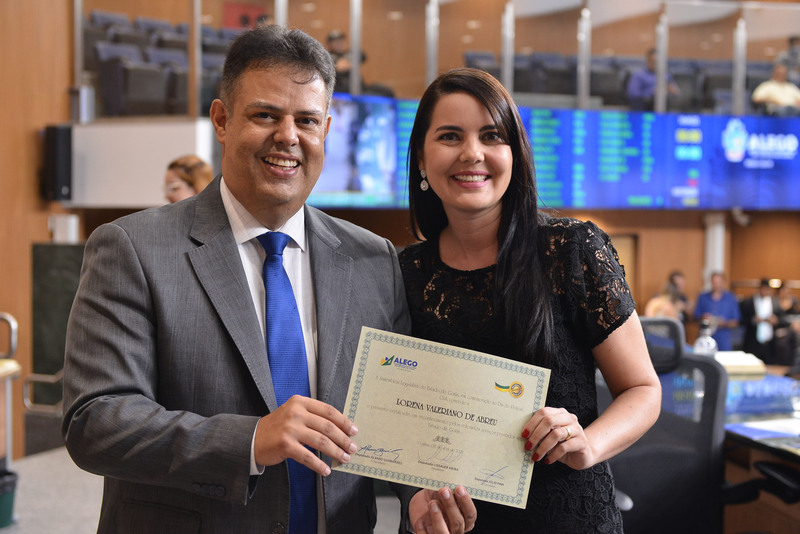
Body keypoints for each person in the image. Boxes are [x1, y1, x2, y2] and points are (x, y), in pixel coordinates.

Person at [62, 25, 474, 534]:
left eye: (307, 120)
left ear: (326, 129)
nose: (288, 136)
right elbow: (95, 421)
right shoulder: (132, 248)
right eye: (265, 115)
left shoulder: (373, 258)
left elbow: (394, 417)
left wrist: (418, 495)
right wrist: (252, 441)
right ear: (222, 120)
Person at [399, 67, 661, 532]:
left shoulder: (572, 249)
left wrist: (588, 445)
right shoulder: (404, 272)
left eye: (491, 136)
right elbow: (394, 415)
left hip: (568, 517)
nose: (472, 153)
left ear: (515, 154)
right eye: (450, 136)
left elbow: (642, 390)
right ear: (421, 157)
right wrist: (413, 496)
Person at [740, 278, 786, 364]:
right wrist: (753, 320)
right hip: (753, 342)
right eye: (764, 289)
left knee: (770, 367)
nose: (766, 292)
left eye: (768, 289)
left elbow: (783, 320)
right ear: (759, 288)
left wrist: (776, 320)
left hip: (770, 344)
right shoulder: (748, 302)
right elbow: (741, 321)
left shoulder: (775, 302)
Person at [693, 271, 741, 351]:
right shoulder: (703, 297)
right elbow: (695, 317)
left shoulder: (730, 298)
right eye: (714, 283)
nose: (716, 285)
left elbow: (736, 321)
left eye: (718, 282)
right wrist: (704, 318)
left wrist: (723, 323)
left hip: (723, 339)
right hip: (706, 339)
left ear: (723, 282)